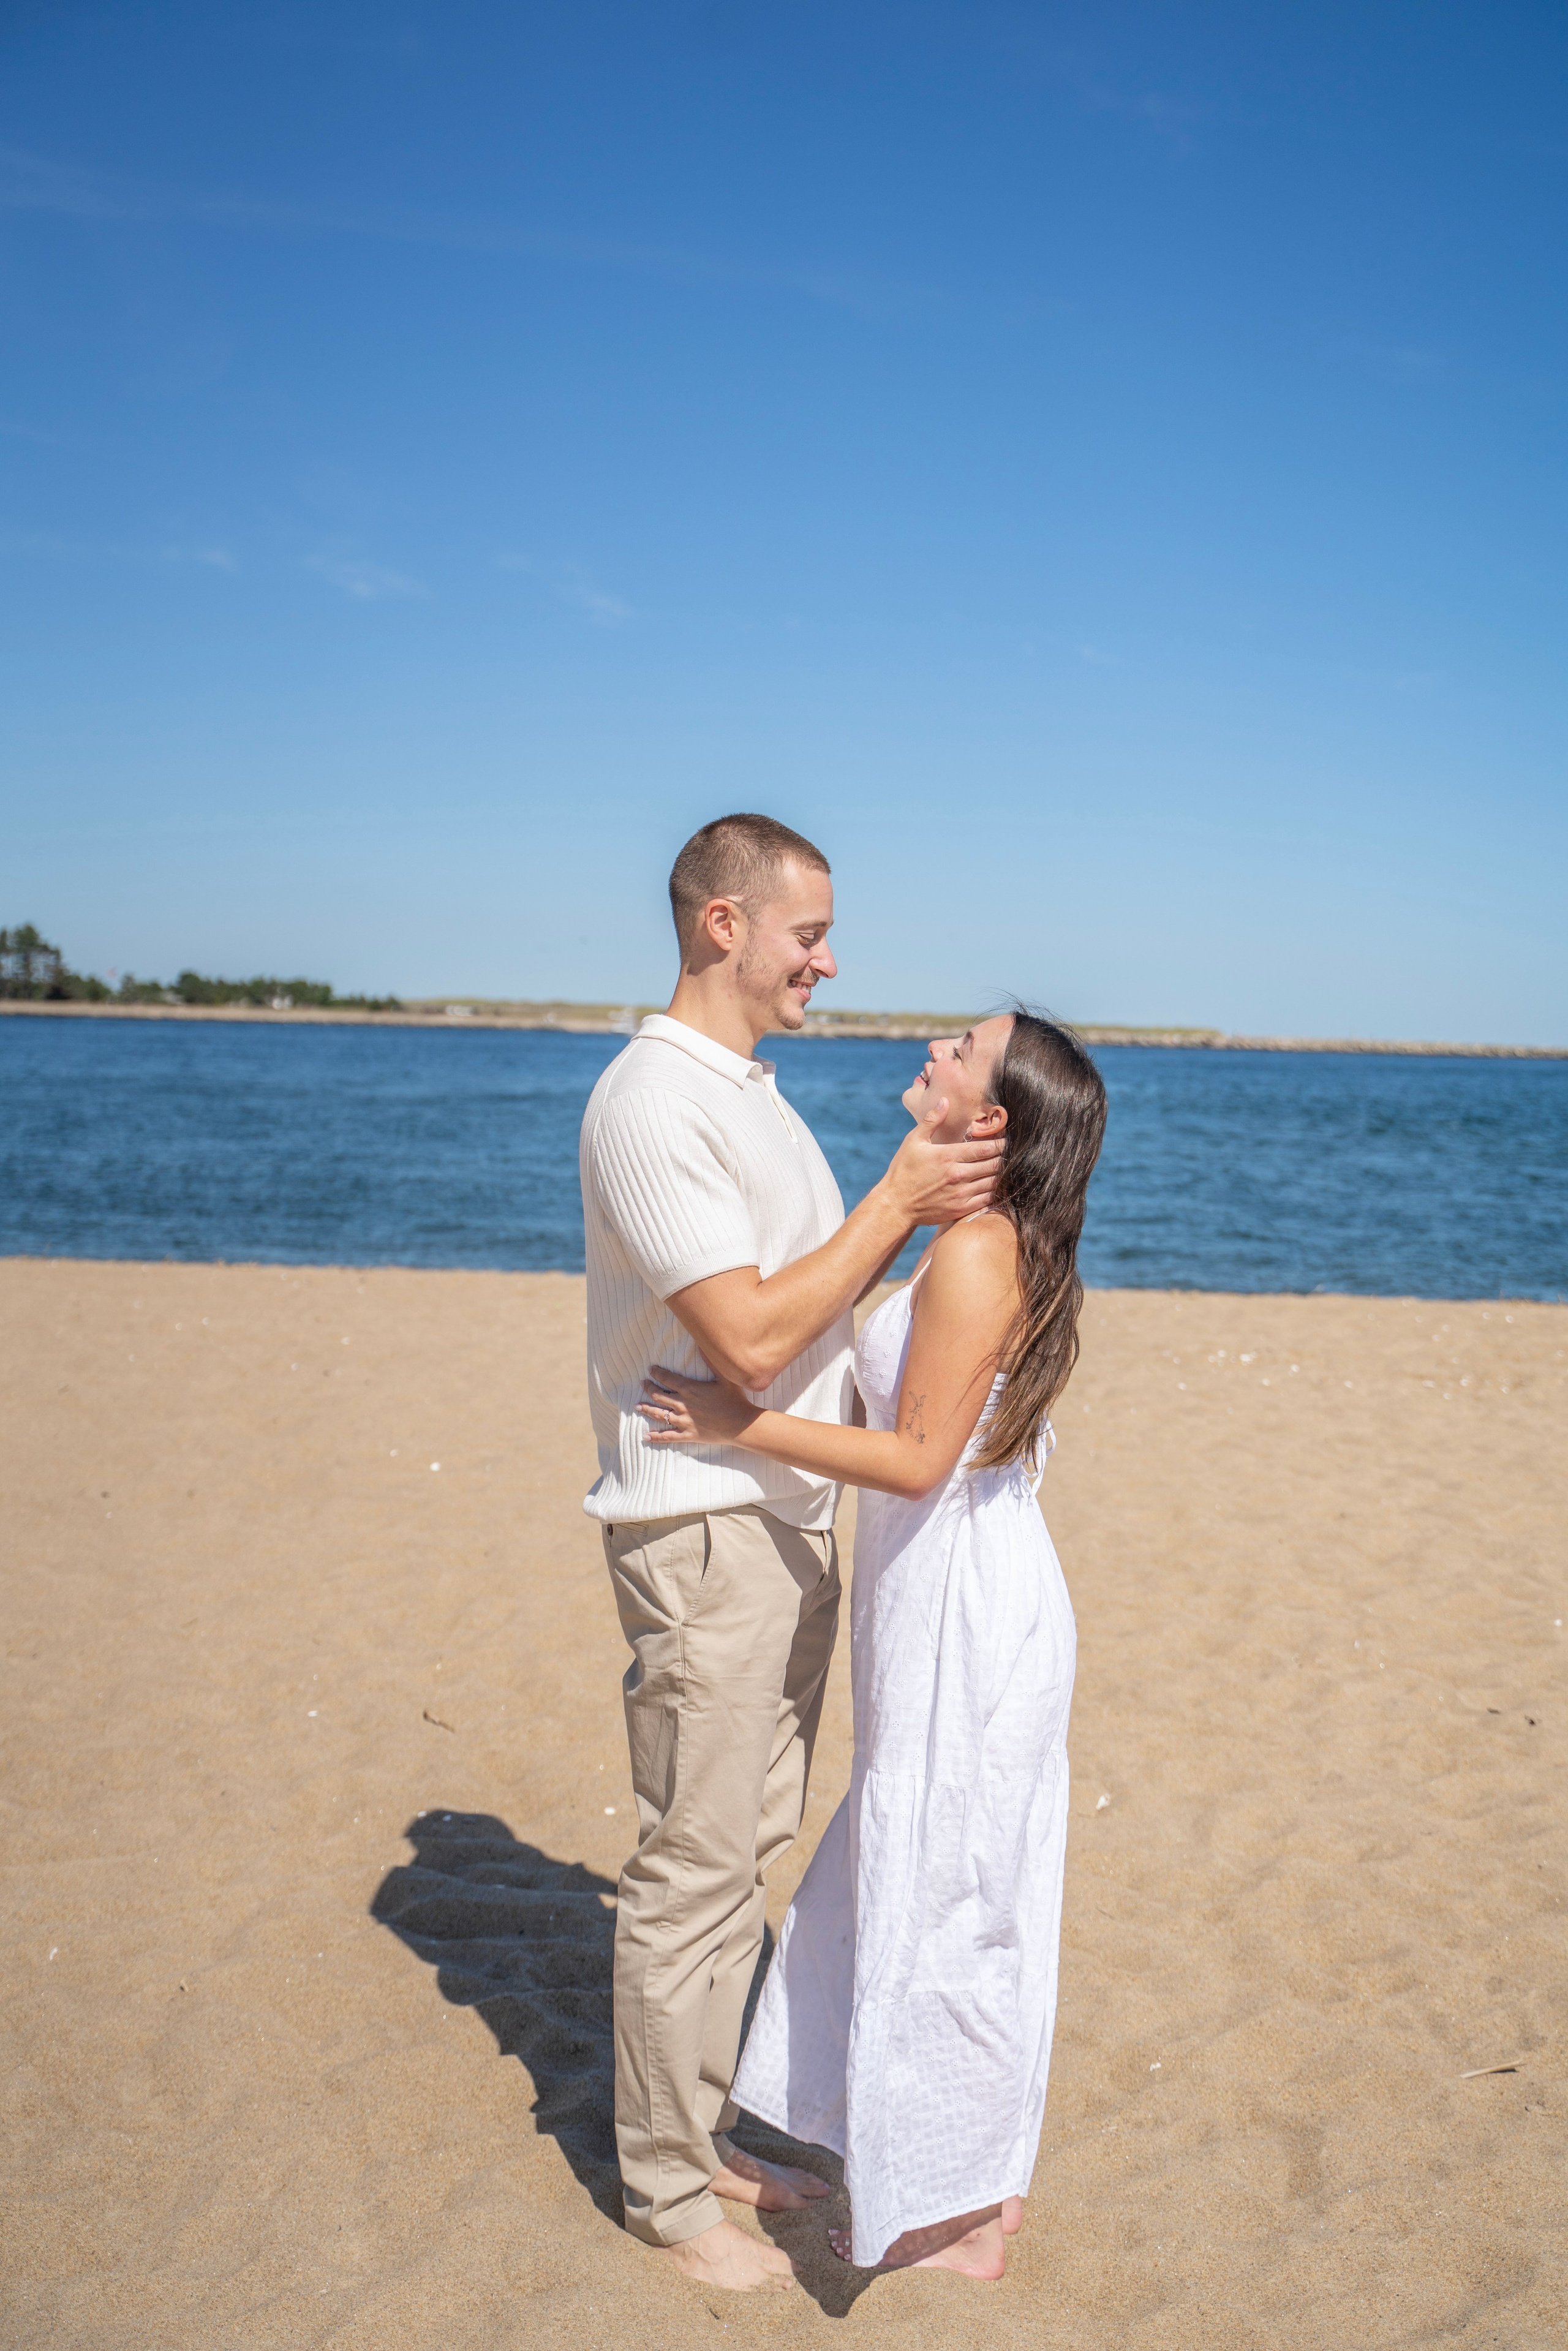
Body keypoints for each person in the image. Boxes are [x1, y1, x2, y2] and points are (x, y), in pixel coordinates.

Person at [579, 813, 1005, 2294]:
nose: (828, 958)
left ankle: (699, 2133)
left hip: (776, 1519)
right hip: (699, 1528)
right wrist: (899, 1195)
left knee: (739, 1847)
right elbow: (752, 1336)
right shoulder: (651, 1103)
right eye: (807, 931)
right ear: (723, 927)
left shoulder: (749, 1095)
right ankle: (662, 2185)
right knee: (693, 1862)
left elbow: (803, 1320)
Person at [639, 1009, 1108, 2279]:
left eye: (957, 1046)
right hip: (947, 1591)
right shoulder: (971, 1237)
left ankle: (958, 2219)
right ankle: (972, 2181)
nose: (931, 1047)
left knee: (950, 1896)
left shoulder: (977, 1255)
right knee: (941, 1877)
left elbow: (910, 1460)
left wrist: (740, 1421)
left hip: (967, 1603)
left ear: (992, 1113)